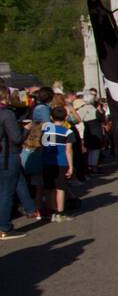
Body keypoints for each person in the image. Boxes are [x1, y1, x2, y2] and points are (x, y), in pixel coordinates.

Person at [0, 87, 36, 241]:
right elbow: (16, 138)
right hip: (8, 155)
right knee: (6, 192)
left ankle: (31, 208)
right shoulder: (6, 113)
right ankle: (3, 227)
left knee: (18, 180)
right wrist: (26, 129)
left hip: (4, 155)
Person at [40, 106, 75, 222]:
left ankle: (50, 212)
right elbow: (68, 150)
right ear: (65, 117)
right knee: (61, 188)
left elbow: (43, 145)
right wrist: (71, 166)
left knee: (49, 188)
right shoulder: (68, 132)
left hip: (47, 161)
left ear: (51, 117)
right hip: (61, 162)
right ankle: (60, 213)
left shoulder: (45, 129)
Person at [74, 90, 105, 175]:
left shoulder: (82, 109)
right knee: (96, 150)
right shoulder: (94, 109)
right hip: (96, 131)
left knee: (90, 150)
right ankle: (94, 167)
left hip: (87, 130)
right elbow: (102, 119)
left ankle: (90, 167)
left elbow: (77, 119)